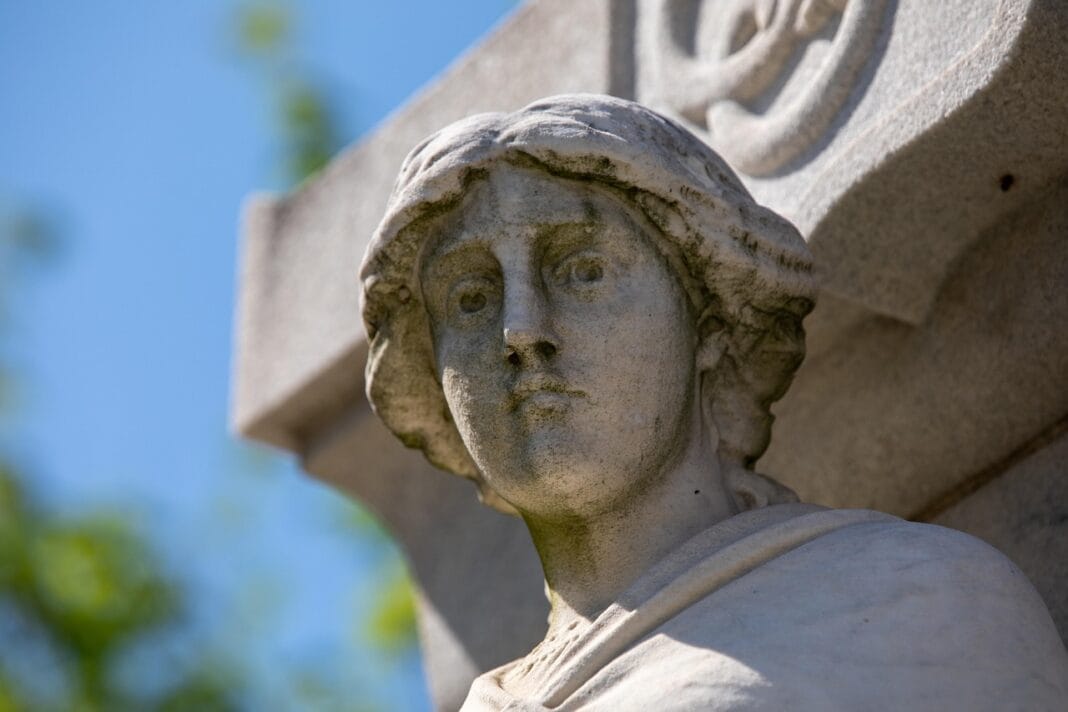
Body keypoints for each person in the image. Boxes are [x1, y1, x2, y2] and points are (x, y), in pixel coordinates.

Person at [359, 95, 1068, 710]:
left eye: (582, 270)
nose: (520, 331)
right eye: (471, 298)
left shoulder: (916, 598)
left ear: (709, 323)